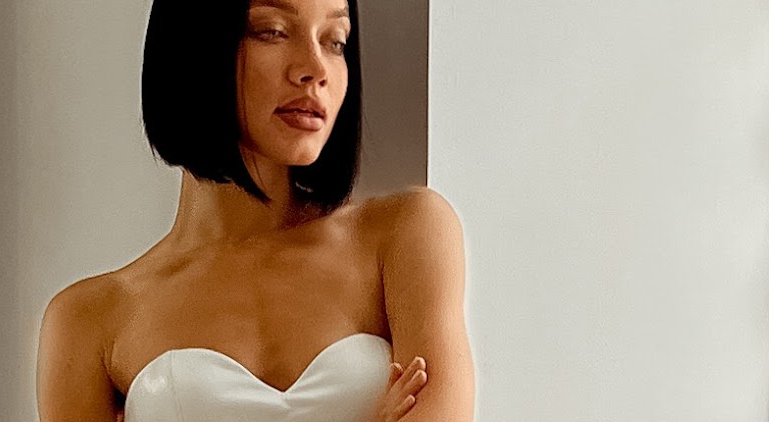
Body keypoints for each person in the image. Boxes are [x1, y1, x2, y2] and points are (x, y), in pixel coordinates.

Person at [35, 0, 475, 420]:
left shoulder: (407, 233)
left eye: (335, 40)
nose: (315, 69)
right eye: (273, 31)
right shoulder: (88, 320)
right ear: (193, 44)